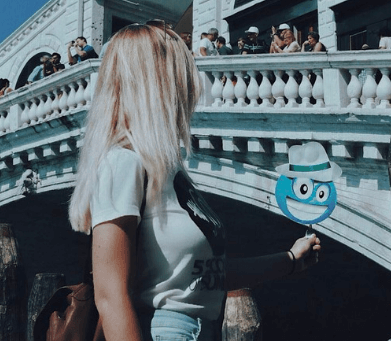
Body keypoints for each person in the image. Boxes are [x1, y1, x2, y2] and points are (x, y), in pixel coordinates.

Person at [68, 23, 321, 341]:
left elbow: (202, 277)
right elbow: (110, 295)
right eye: (181, 65)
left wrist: (290, 260)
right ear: (155, 78)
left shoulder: (168, 168)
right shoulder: (123, 162)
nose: (191, 77)